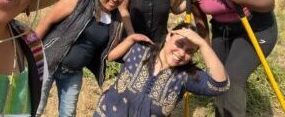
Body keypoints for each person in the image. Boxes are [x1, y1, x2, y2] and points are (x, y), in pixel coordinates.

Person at [173, 0, 278, 117]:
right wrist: (203, 47)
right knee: (217, 76)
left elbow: (269, 3)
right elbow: (200, 20)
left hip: (256, 28)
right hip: (222, 30)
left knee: (233, 78)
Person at [35, 0, 129, 117]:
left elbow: (109, 54)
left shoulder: (116, 20)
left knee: (68, 113)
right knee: (36, 109)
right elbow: (47, 21)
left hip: (73, 73)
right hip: (47, 63)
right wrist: (27, 52)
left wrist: (132, 39)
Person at [94, 22, 230, 117]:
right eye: (180, 44)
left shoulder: (185, 75)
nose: (182, 53)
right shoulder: (138, 51)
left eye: (190, 51)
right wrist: (130, 39)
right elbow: (107, 54)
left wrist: (203, 44)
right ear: (169, 36)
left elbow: (219, 86)